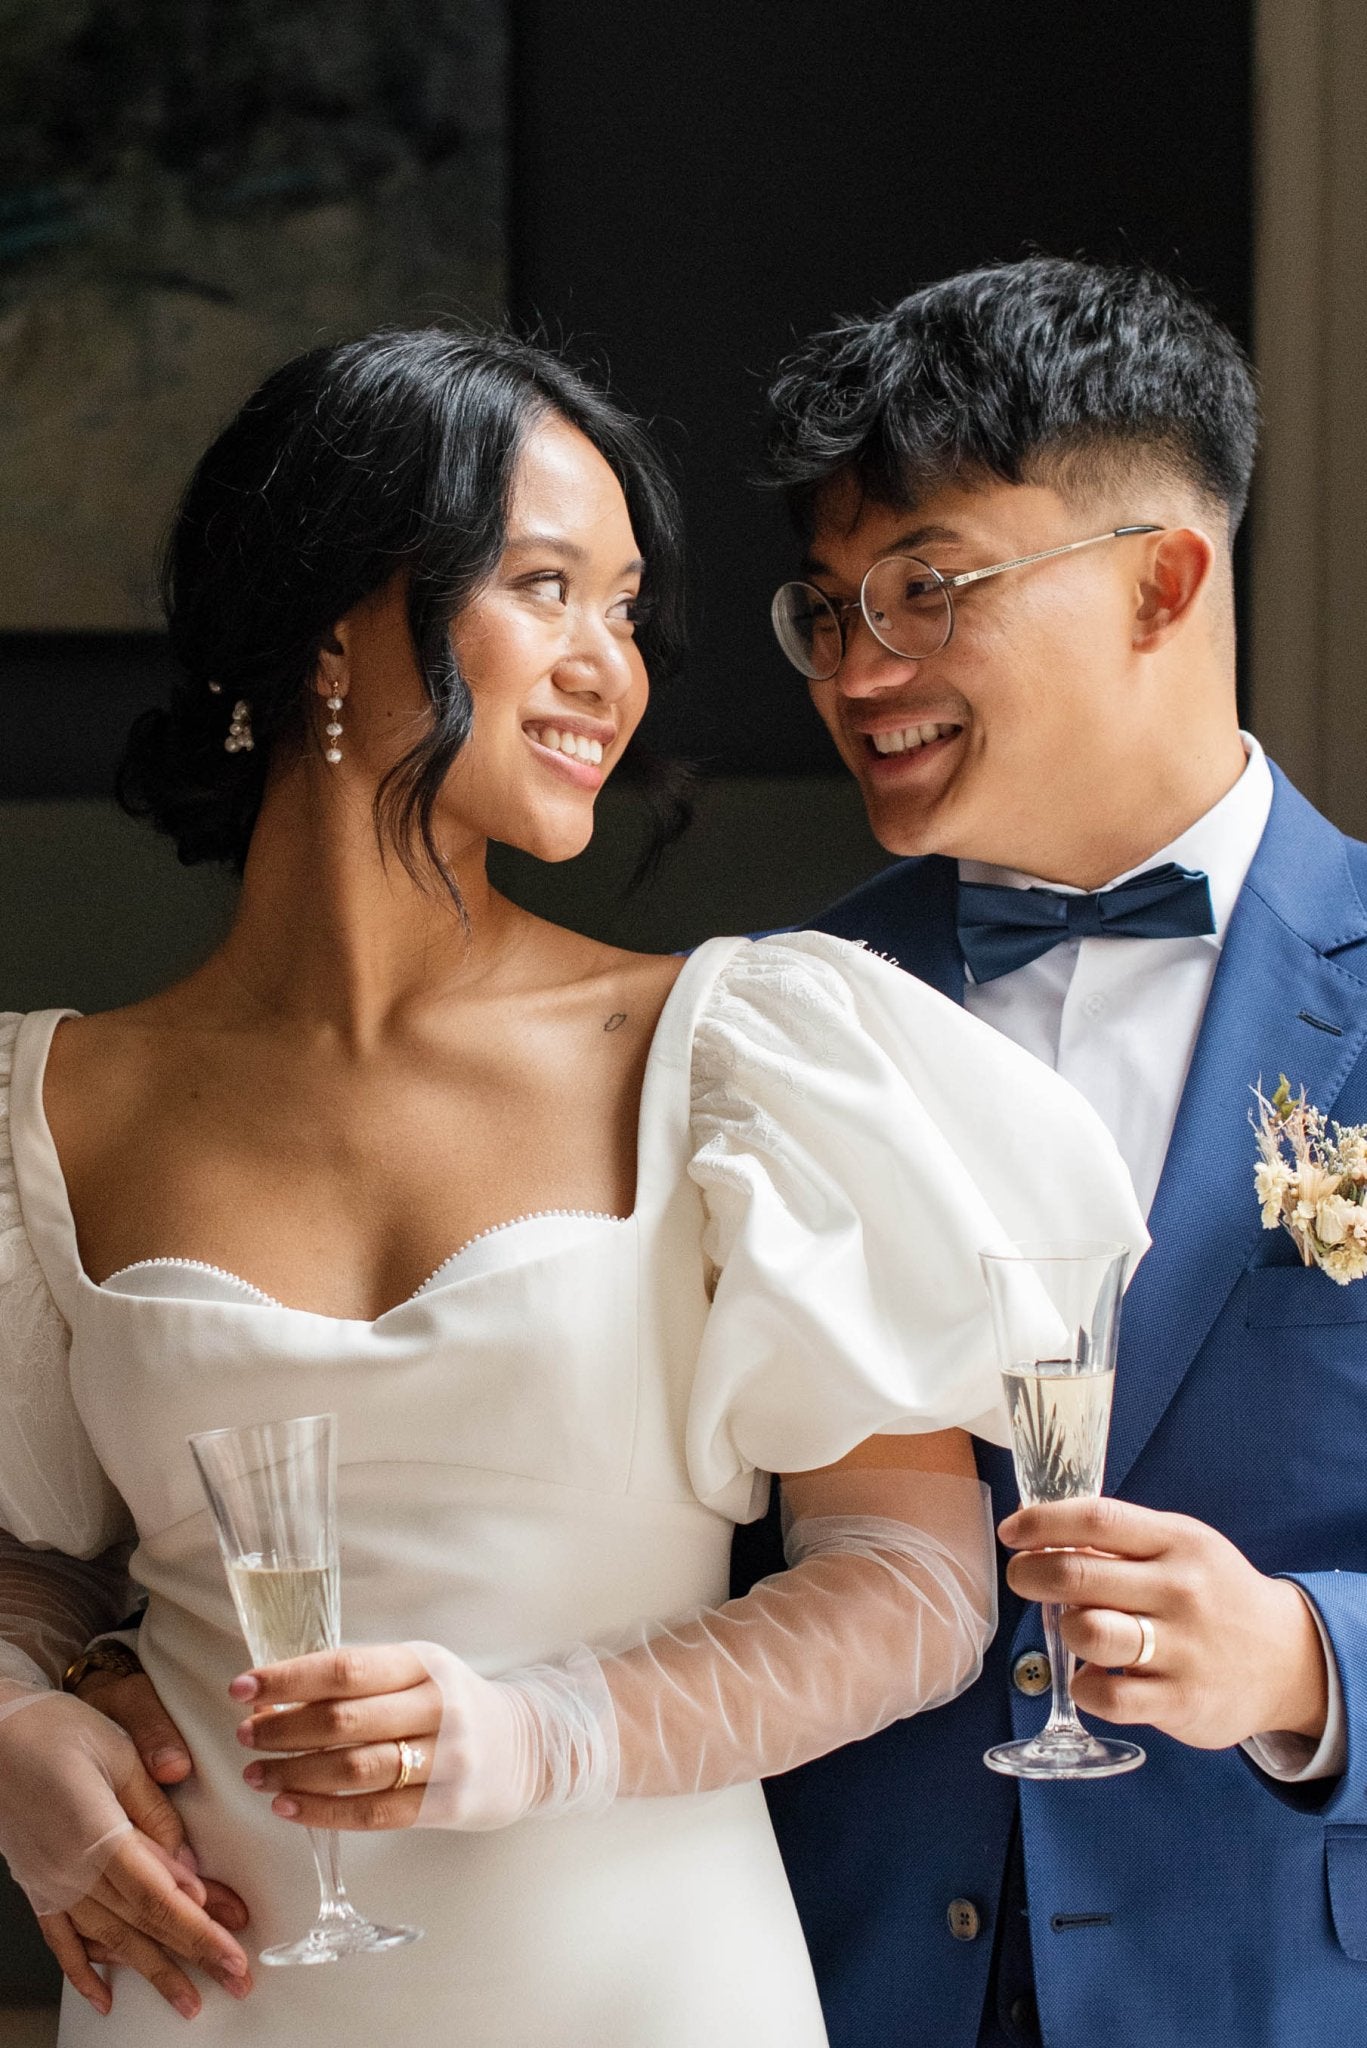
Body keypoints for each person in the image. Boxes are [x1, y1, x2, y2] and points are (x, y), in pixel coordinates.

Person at [0, 326, 1144, 2045]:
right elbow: (35, 1565)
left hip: (645, 1984)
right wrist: (14, 1733)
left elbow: (912, 1593)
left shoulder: (736, 1051)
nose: (611, 665)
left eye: (628, 611)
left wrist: (529, 1734)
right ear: (329, 611)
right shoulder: (51, 1100)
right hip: (207, 2000)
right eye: (547, 587)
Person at [733, 256, 1367, 2048]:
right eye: (828, 608)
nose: (861, 670)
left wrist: (1309, 1660)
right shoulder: (782, 1020)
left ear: (1164, 578)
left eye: (928, 588)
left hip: (1273, 1981)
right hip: (844, 1981)